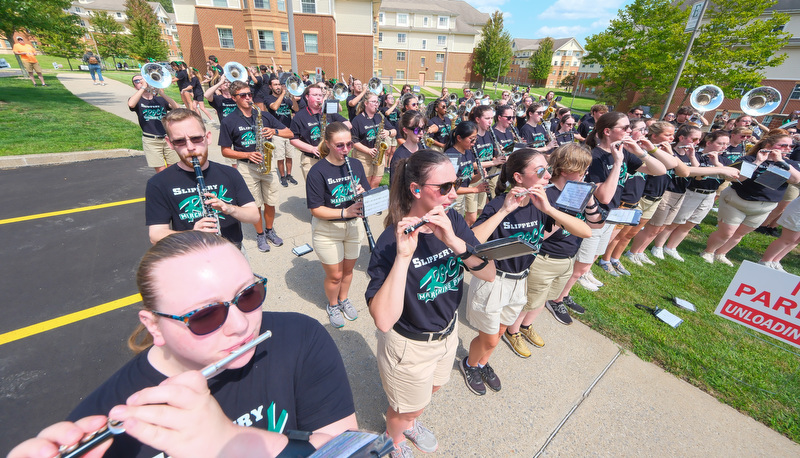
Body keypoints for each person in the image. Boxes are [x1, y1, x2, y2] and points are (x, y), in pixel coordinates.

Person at [8, 231, 358, 458]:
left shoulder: (300, 337)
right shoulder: (104, 419)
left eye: (249, 295)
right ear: (154, 326)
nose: (240, 326)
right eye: (206, 315)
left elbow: (350, 450)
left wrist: (232, 442)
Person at [365, 150, 496, 458]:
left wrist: (454, 242)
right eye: (444, 187)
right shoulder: (390, 242)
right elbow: (383, 320)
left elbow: (488, 273)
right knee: (403, 408)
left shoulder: (453, 221)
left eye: (457, 183)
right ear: (416, 189)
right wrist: (403, 256)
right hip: (411, 344)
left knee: (428, 393)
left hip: (447, 334)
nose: (454, 193)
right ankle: (392, 439)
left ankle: (410, 422)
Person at [463, 149, 591, 389]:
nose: (548, 175)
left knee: (500, 332)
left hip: (520, 280)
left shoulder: (543, 203)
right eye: (540, 171)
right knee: (489, 339)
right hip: (494, 280)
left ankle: (482, 364)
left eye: (548, 169)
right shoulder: (500, 204)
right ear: (519, 178)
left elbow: (586, 231)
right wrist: (504, 211)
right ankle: (470, 364)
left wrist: (550, 210)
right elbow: (471, 242)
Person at [505, 145, 602, 354]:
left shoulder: (578, 191)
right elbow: (537, 236)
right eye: (582, 169)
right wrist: (561, 215)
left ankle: (526, 327)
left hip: (567, 256)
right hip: (544, 258)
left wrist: (589, 197)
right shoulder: (545, 195)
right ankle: (512, 331)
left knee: (544, 299)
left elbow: (596, 225)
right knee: (529, 301)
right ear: (567, 170)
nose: (586, 174)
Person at [145, 108, 260, 246]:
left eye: (196, 138)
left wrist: (229, 208)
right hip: (191, 256)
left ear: (208, 137)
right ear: (170, 143)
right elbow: (155, 235)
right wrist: (192, 234)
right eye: (180, 141)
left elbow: (254, 216)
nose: (190, 147)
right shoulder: (158, 183)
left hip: (232, 252)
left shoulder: (230, 173)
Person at [306, 122, 369, 328]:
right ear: (328, 144)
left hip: (352, 227)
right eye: (339, 145)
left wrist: (363, 194)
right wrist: (345, 211)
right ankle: (333, 304)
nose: (346, 150)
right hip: (327, 230)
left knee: (348, 272)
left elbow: (368, 195)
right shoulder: (318, 171)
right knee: (335, 275)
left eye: (349, 144)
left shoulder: (357, 165)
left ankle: (344, 299)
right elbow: (315, 209)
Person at [702, 134, 800, 265]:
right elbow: (737, 177)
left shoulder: (789, 164)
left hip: (764, 206)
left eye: (790, 146)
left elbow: (796, 179)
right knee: (727, 232)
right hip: (737, 200)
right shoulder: (749, 158)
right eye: (783, 145)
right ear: (769, 146)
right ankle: (709, 251)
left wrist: (781, 162)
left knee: (739, 234)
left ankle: (721, 253)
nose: (787, 148)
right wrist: (758, 162)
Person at [219, 80, 293, 253]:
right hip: (247, 167)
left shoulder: (263, 115)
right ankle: (260, 234)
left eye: (249, 94)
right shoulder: (228, 121)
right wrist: (247, 154)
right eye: (243, 95)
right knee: (255, 204)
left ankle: (270, 230)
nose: (248, 98)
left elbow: (289, 133)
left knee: (271, 201)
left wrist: (274, 131)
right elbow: (225, 151)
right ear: (234, 97)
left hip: (266, 165)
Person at [654, 131, 740, 258]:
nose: (724, 147)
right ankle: (658, 246)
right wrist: (695, 158)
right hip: (692, 192)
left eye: (726, 144)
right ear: (709, 143)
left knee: (690, 223)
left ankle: (671, 247)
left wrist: (717, 163)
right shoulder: (696, 155)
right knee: (674, 222)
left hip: (710, 195)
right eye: (720, 143)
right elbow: (696, 176)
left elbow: (732, 177)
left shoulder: (724, 160)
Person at [290, 85, 351, 180]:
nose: (319, 98)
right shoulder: (299, 116)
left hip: (331, 157)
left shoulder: (329, 112)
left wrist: (333, 129)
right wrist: (311, 149)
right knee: (315, 190)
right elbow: (293, 139)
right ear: (307, 97)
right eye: (315, 95)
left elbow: (348, 124)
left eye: (320, 95)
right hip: (311, 159)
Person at [128, 74, 181, 172]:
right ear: (135, 86)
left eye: (142, 79)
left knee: (173, 167)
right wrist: (143, 87)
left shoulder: (160, 100)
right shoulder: (137, 100)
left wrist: (161, 92)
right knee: (161, 170)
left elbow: (176, 107)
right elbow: (131, 104)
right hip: (151, 139)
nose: (140, 81)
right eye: (137, 81)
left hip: (167, 137)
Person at [443, 121, 490, 226]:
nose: (474, 142)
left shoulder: (468, 152)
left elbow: (468, 178)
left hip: (462, 194)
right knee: (454, 225)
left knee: (460, 224)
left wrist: (479, 175)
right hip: (453, 198)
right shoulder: (451, 156)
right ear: (459, 138)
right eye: (471, 139)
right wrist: (475, 190)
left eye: (475, 139)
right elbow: (451, 187)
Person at [350, 92, 396, 189]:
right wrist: (368, 150)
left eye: (377, 102)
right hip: (363, 155)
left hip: (379, 153)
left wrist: (389, 133)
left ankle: (372, 202)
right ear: (366, 103)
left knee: (376, 182)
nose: (376, 104)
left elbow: (394, 130)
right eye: (373, 102)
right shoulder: (357, 120)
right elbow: (353, 141)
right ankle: (363, 203)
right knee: (365, 185)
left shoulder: (379, 117)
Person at [265, 76, 301, 187]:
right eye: (275, 85)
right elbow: (275, 107)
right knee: (280, 157)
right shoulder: (269, 98)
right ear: (270, 87)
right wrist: (282, 95)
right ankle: (283, 176)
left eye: (279, 84)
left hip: (288, 132)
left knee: (289, 155)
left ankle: (289, 174)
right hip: (277, 132)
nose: (278, 87)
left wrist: (292, 98)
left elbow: (296, 109)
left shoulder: (286, 99)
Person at [759, 195, 800, 272]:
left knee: (796, 240)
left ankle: (775, 261)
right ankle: (765, 261)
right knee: (788, 239)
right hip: (798, 212)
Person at [389, 110, 425, 185]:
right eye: (416, 130)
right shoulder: (399, 156)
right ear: (405, 130)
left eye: (423, 128)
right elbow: (395, 185)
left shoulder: (425, 150)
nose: (421, 133)